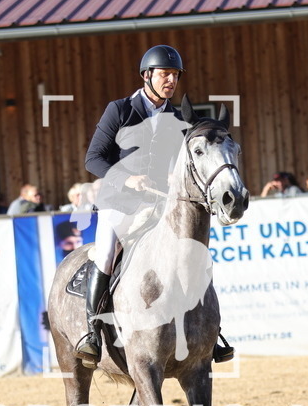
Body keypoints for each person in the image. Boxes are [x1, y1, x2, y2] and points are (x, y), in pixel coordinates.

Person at [76, 44, 233, 367]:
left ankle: (209, 333)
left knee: (193, 255)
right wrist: (126, 178)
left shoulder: (177, 118)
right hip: (120, 202)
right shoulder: (119, 110)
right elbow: (94, 158)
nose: (171, 81)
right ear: (147, 75)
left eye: (175, 75)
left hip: (160, 206)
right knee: (106, 253)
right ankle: (92, 332)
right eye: (165, 74)